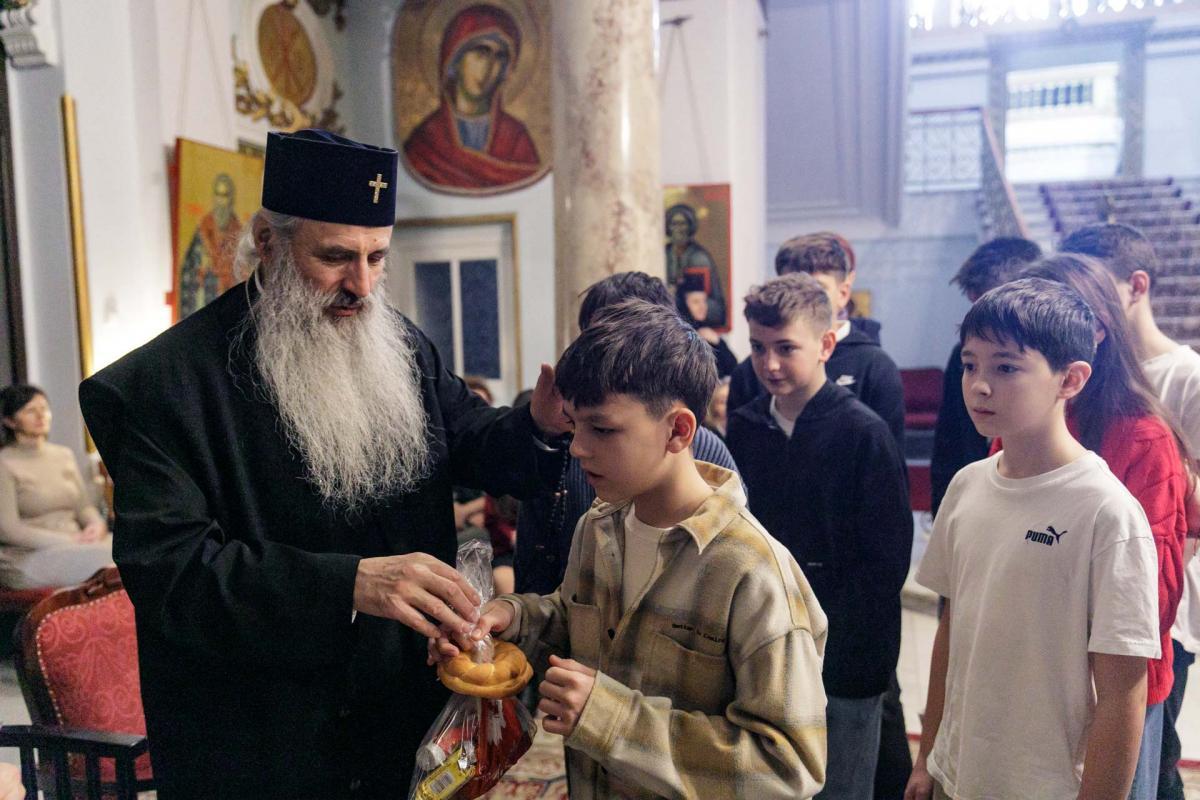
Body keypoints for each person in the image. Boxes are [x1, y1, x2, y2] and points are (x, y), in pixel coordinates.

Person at [79, 129, 567, 798]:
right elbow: (174, 574)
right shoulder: (160, 387)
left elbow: (473, 438)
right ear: (268, 241)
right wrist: (350, 584)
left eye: (376, 257)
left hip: (399, 721)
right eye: (335, 257)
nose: (361, 285)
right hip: (263, 743)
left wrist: (540, 424)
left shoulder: (399, 344)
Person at [435, 299, 830, 799]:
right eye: (574, 425)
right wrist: (512, 618)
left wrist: (609, 717)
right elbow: (576, 617)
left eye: (602, 429)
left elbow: (789, 765)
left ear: (678, 431)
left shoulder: (751, 571)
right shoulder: (599, 527)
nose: (578, 447)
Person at [907, 278, 1161, 800]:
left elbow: (1124, 693)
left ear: (1071, 379)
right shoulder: (968, 485)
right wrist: (928, 755)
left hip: (1045, 784)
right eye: (970, 365)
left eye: (1006, 368)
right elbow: (952, 630)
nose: (979, 386)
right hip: (958, 770)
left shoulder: (1106, 512)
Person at [727, 273, 912, 800]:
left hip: (847, 655)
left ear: (826, 344)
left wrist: (824, 636)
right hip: (765, 644)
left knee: (842, 785)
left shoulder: (864, 433)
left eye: (786, 348)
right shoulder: (745, 427)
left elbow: (885, 564)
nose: (770, 364)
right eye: (758, 348)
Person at [1020, 252, 1191, 800]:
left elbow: (1148, 601)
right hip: (1033, 673)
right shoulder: (1020, 425)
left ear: (1094, 331)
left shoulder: (1144, 437)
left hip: (1114, 686)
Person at [1060, 223, 1200, 799]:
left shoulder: (1185, 378)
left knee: (1151, 762)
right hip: (1079, 613)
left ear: (1134, 286)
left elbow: (1188, 519)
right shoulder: (1071, 387)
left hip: (1162, 615)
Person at [512, 271, 739, 597]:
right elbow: (538, 562)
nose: (580, 447)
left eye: (603, 429)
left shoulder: (705, 449)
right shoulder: (593, 518)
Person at [727, 232, 904, 451]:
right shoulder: (748, 374)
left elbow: (887, 452)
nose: (804, 298)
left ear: (843, 293)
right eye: (791, 287)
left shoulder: (876, 368)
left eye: (818, 288)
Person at [930, 237, 1042, 517]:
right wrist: (943, 511)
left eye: (992, 305)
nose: (981, 319)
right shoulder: (962, 354)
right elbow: (950, 441)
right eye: (976, 306)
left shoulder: (1050, 362)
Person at [402, 4, 541, 192]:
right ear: (454, 60)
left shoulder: (515, 137)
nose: (488, 68)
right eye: (480, 53)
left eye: (499, 57)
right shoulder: (427, 140)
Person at [0, 385, 112, 589]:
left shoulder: (63, 455)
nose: (40, 415)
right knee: (110, 558)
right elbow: (9, 531)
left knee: (137, 546)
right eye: (30, 410)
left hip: (78, 543)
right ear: (9, 421)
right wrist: (70, 539)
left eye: (44, 408)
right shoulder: (4, 463)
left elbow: (83, 507)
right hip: (28, 555)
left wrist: (96, 525)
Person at [178, 173, 242, 317]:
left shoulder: (239, 236)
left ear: (231, 199)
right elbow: (188, 272)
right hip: (203, 309)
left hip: (227, 312)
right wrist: (201, 268)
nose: (220, 201)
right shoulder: (202, 231)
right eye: (218, 194)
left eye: (225, 195)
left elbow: (243, 277)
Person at [665, 203, 726, 328]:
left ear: (690, 227)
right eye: (674, 224)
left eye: (682, 224)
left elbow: (698, 300)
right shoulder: (664, 253)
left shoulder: (699, 257)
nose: (678, 229)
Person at [677, 272, 738, 377]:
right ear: (684, 305)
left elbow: (734, 368)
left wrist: (718, 343)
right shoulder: (679, 333)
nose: (702, 306)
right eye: (696, 302)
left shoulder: (707, 330)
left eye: (704, 301)